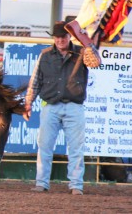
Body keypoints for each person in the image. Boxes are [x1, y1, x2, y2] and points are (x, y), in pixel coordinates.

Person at [23, 21, 89, 195]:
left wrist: (88, 44)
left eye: (63, 36)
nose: (60, 40)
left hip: (72, 105)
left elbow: (96, 61)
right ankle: (43, 183)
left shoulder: (82, 52)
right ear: (54, 38)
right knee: (45, 146)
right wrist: (28, 103)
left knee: (74, 147)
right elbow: (35, 81)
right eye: (58, 37)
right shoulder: (45, 55)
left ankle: (75, 185)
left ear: (69, 37)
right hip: (52, 105)